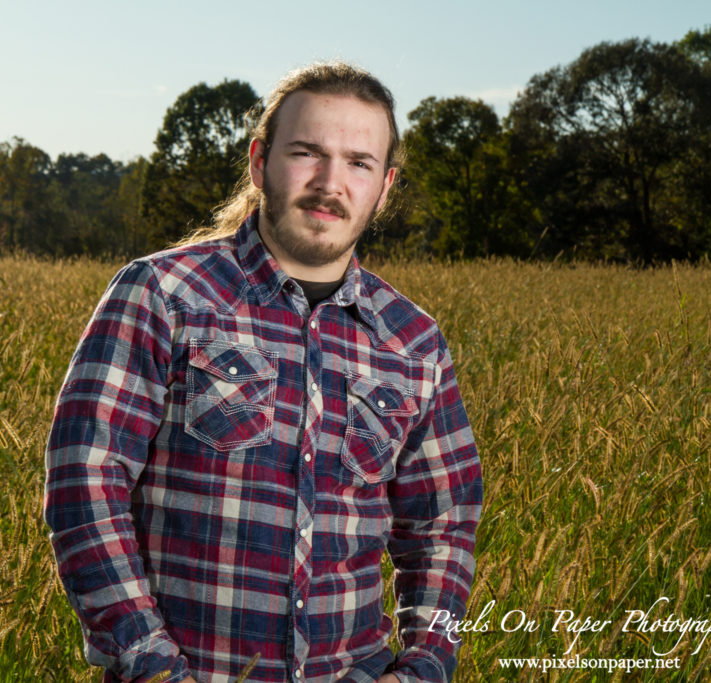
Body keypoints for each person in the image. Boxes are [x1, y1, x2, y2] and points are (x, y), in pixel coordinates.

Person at [44, 61, 482, 683]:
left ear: (384, 188)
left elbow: (444, 525)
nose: (331, 183)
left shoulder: (413, 342)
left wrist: (425, 664)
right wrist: (151, 664)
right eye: (307, 152)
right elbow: (85, 481)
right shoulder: (164, 294)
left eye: (358, 163)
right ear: (259, 163)